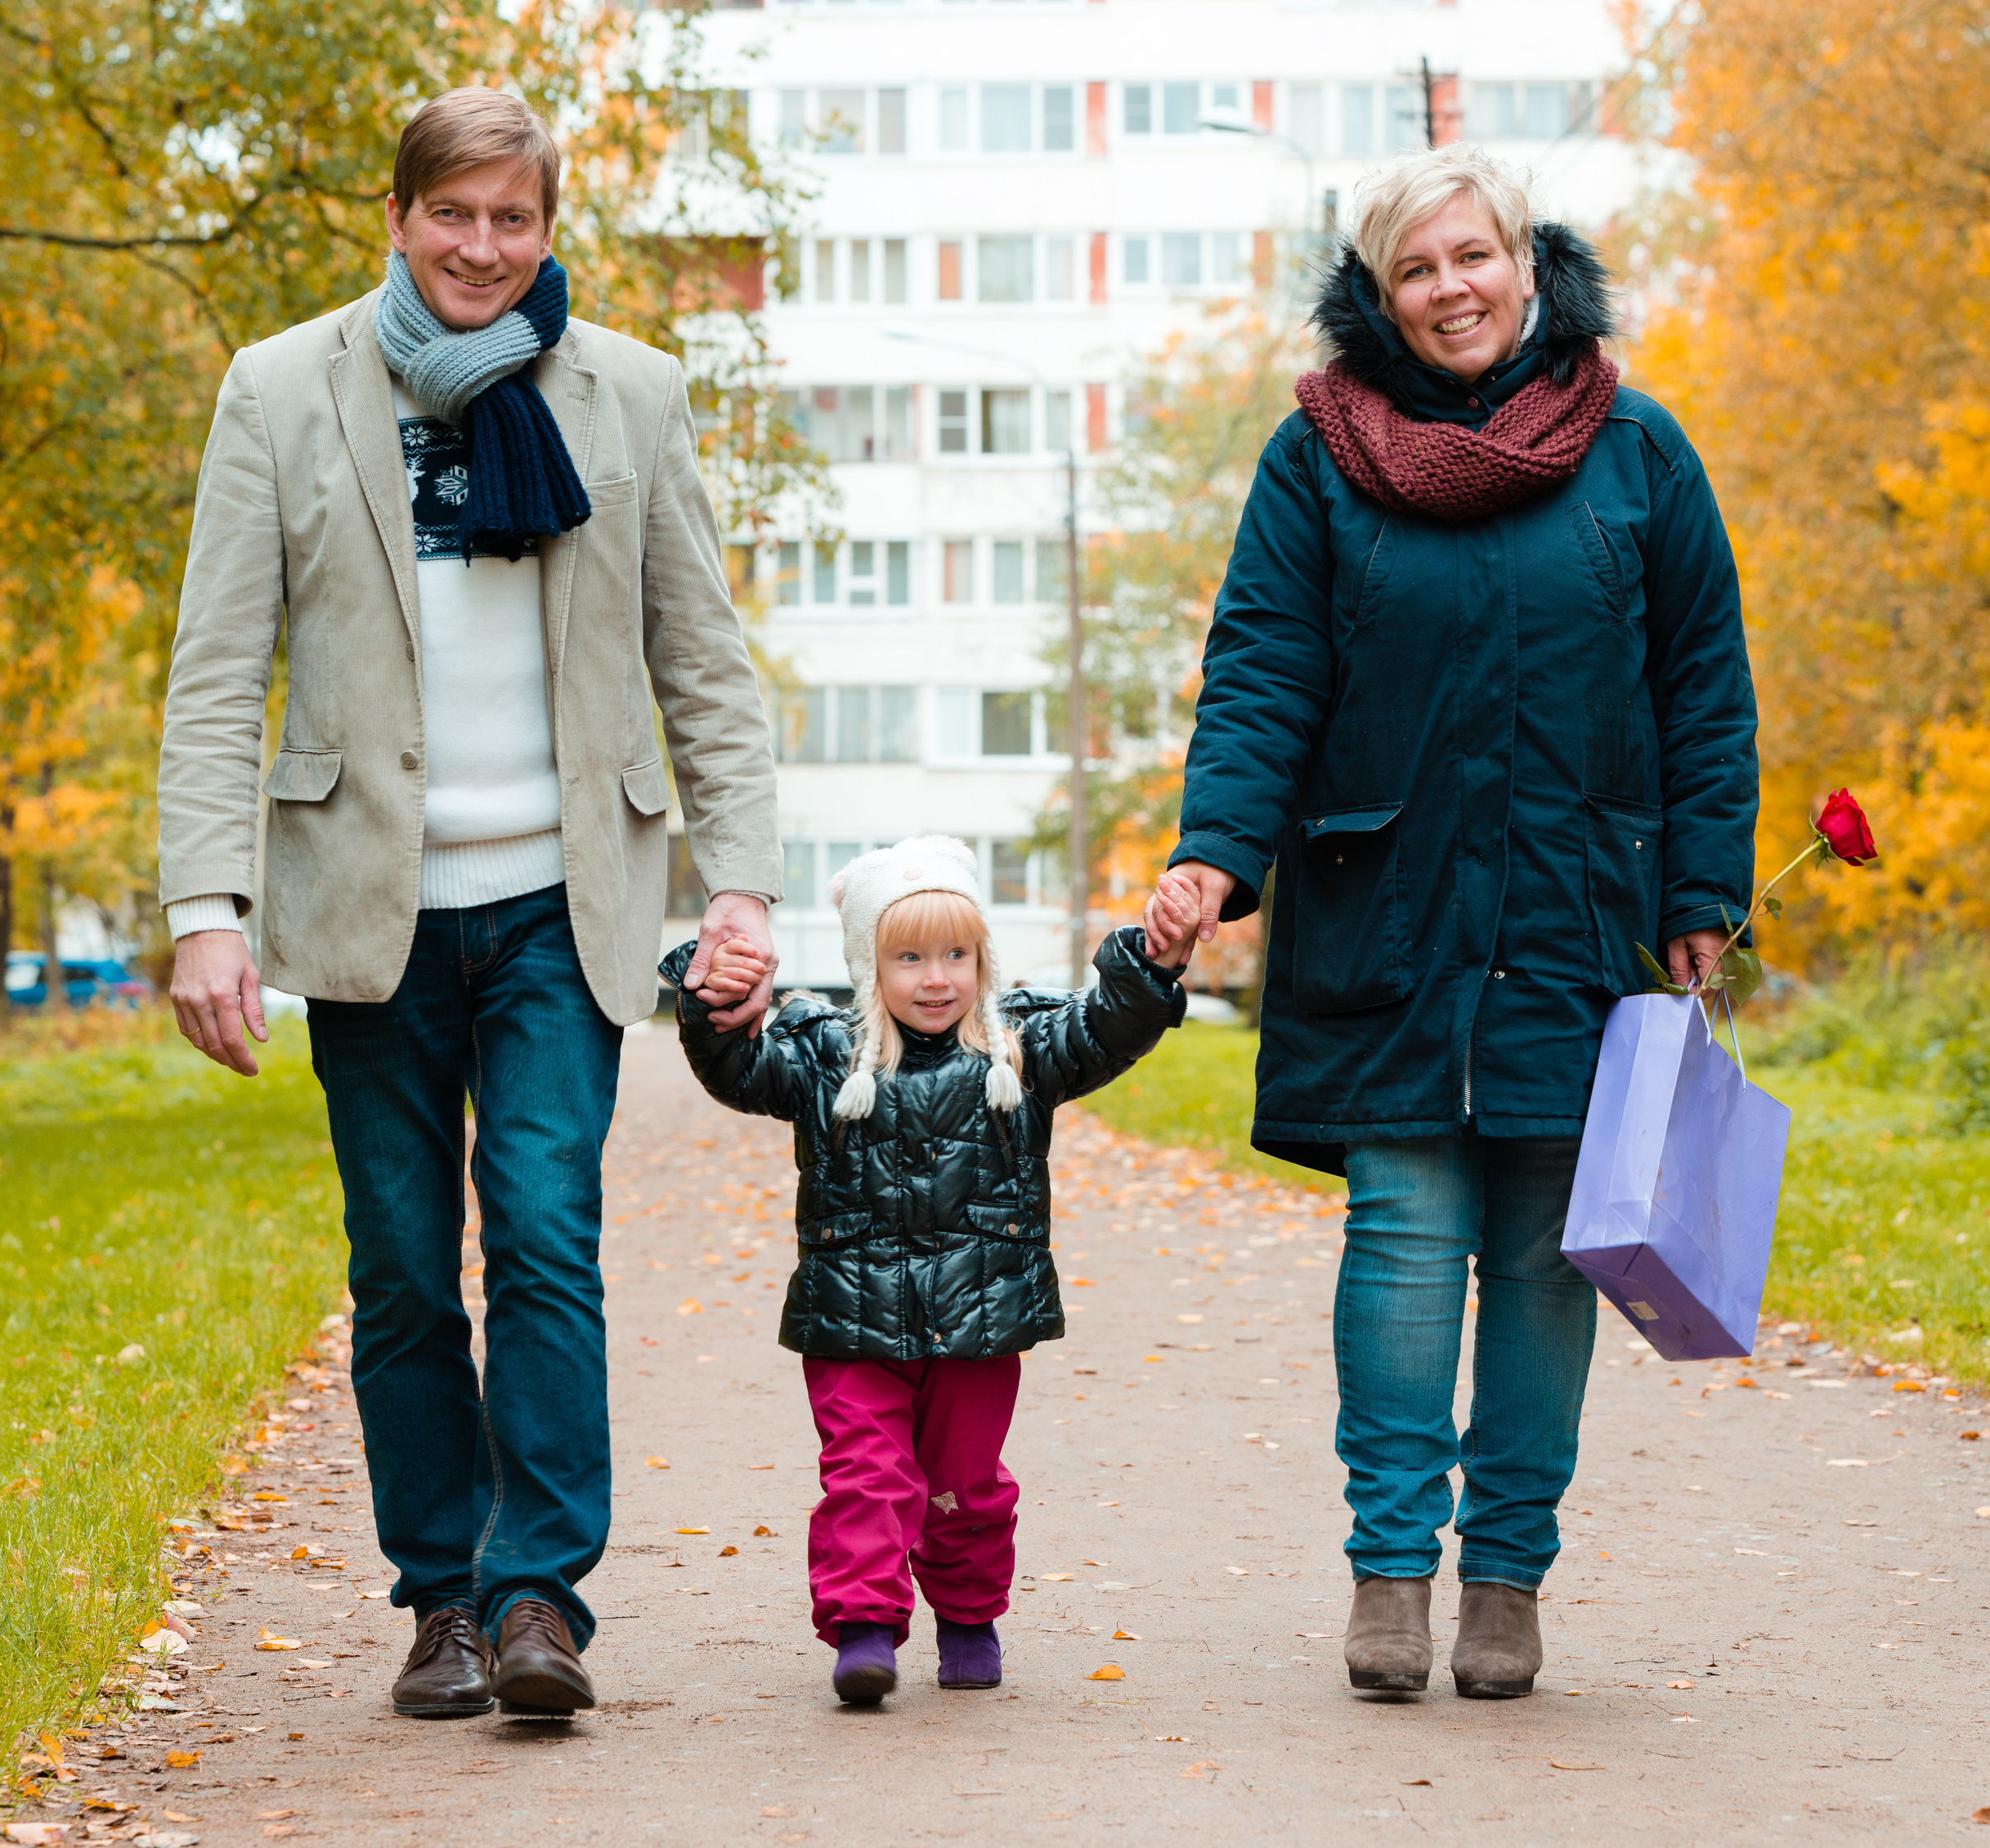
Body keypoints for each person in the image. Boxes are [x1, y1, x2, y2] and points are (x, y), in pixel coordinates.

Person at [156, 88, 783, 1720]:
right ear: (397, 215)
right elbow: (219, 670)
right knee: (405, 1269)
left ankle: (536, 1600)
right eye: (454, 216)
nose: (482, 250)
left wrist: (743, 887)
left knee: (546, 1241)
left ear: (548, 228)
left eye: (514, 221)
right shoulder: (282, 387)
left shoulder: (627, 393)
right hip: (368, 908)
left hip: (557, 906)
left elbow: (700, 660)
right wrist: (206, 902)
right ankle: (437, 1591)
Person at [1146, 143, 1758, 1700]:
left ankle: (1508, 1580)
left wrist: (1700, 890)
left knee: (1557, 1258)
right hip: (1388, 907)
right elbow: (1266, 670)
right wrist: (1215, 856)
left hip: (1580, 912)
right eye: (1417, 269)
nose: (1451, 288)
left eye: (1472, 256)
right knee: (1407, 1237)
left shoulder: (1641, 452)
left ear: (1527, 261)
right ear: (1381, 295)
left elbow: (1702, 688)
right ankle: (1391, 1574)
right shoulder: (1318, 463)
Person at [662, 838, 1197, 1703]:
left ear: (981, 958)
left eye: (955, 954)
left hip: (978, 1322)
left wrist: (1153, 964)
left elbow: (1108, 1027)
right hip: (851, 1322)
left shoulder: (1019, 1050)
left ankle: (969, 1617)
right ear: (867, 965)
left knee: (964, 1485)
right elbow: (737, 1067)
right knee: (866, 1475)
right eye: (907, 957)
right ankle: (865, 1626)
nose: (935, 977)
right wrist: (711, 999)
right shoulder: (822, 1052)